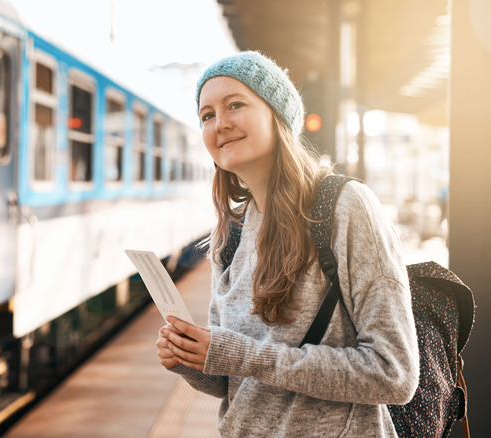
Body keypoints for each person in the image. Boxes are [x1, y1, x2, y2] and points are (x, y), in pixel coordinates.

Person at [155, 51, 419, 437]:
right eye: (207, 115)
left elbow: (393, 373)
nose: (220, 124)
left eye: (235, 105)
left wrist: (244, 355)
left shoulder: (344, 207)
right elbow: (237, 379)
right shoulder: (233, 233)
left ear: (277, 116)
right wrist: (191, 358)